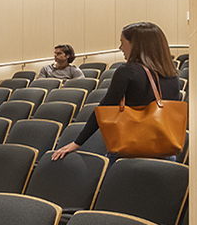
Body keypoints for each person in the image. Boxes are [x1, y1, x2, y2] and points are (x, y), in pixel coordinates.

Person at [51, 21, 182, 160]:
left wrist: (77, 143)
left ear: (135, 45)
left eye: (122, 42)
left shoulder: (127, 70)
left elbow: (105, 107)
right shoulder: (171, 73)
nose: (120, 48)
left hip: (131, 153)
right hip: (165, 152)